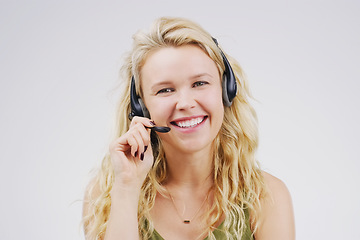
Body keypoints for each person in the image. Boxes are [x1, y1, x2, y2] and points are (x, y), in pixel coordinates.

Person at [82, 17, 295, 240]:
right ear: (141, 106)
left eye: (200, 83)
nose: (185, 103)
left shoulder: (266, 196)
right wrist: (127, 187)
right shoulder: (105, 195)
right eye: (165, 90)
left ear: (225, 90)